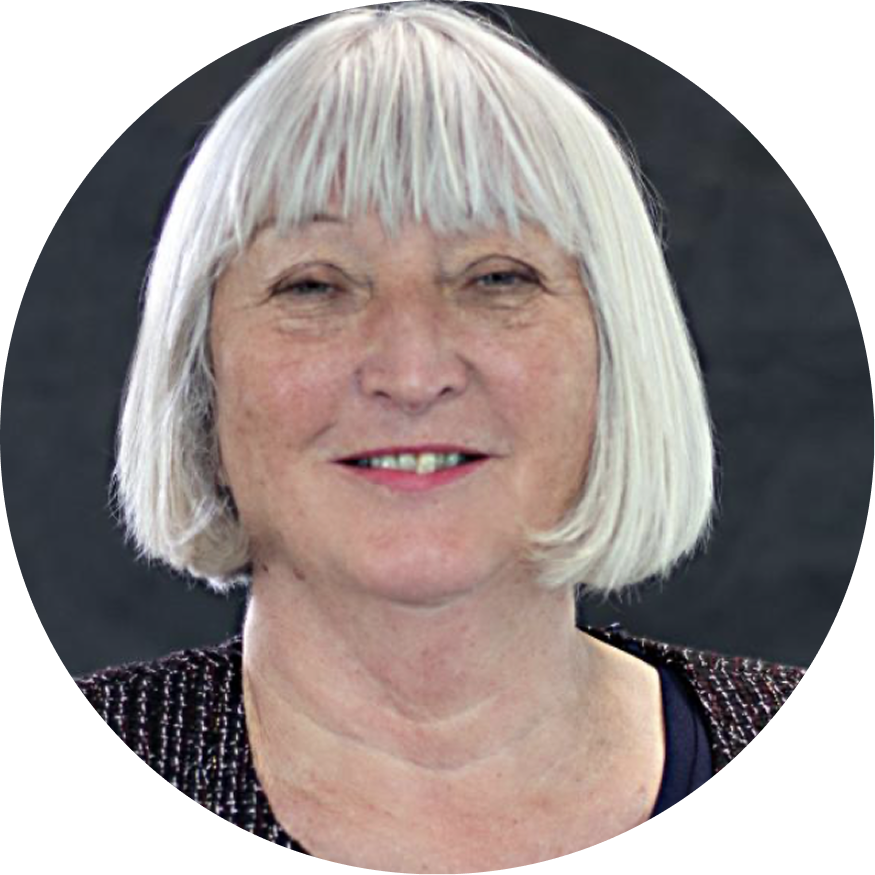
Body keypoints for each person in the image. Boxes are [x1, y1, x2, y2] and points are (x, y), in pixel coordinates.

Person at [73, 2, 824, 869]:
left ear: (618, 353)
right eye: (314, 286)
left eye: (496, 277)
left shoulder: (811, 779)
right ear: (199, 375)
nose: (412, 369)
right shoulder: (65, 792)